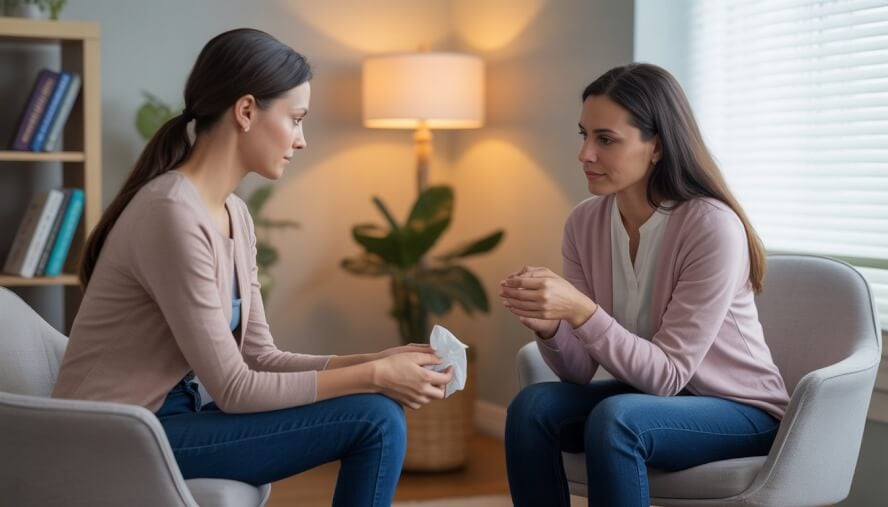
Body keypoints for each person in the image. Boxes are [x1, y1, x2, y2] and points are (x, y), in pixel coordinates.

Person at [52, 28, 452, 506]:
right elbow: (236, 388)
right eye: (296, 119)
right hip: (115, 436)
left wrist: (376, 360)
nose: (301, 140)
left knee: (377, 410)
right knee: (376, 416)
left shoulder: (234, 214)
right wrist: (374, 377)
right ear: (246, 111)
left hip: (173, 418)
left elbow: (259, 355)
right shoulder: (172, 213)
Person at [499, 63, 790, 507]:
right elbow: (577, 371)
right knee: (531, 409)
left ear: (656, 147)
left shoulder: (710, 227)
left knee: (618, 418)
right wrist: (549, 324)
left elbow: (669, 376)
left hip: (741, 411)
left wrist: (580, 310)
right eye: (584, 135)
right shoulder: (584, 222)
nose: (584, 155)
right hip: (648, 399)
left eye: (606, 139)